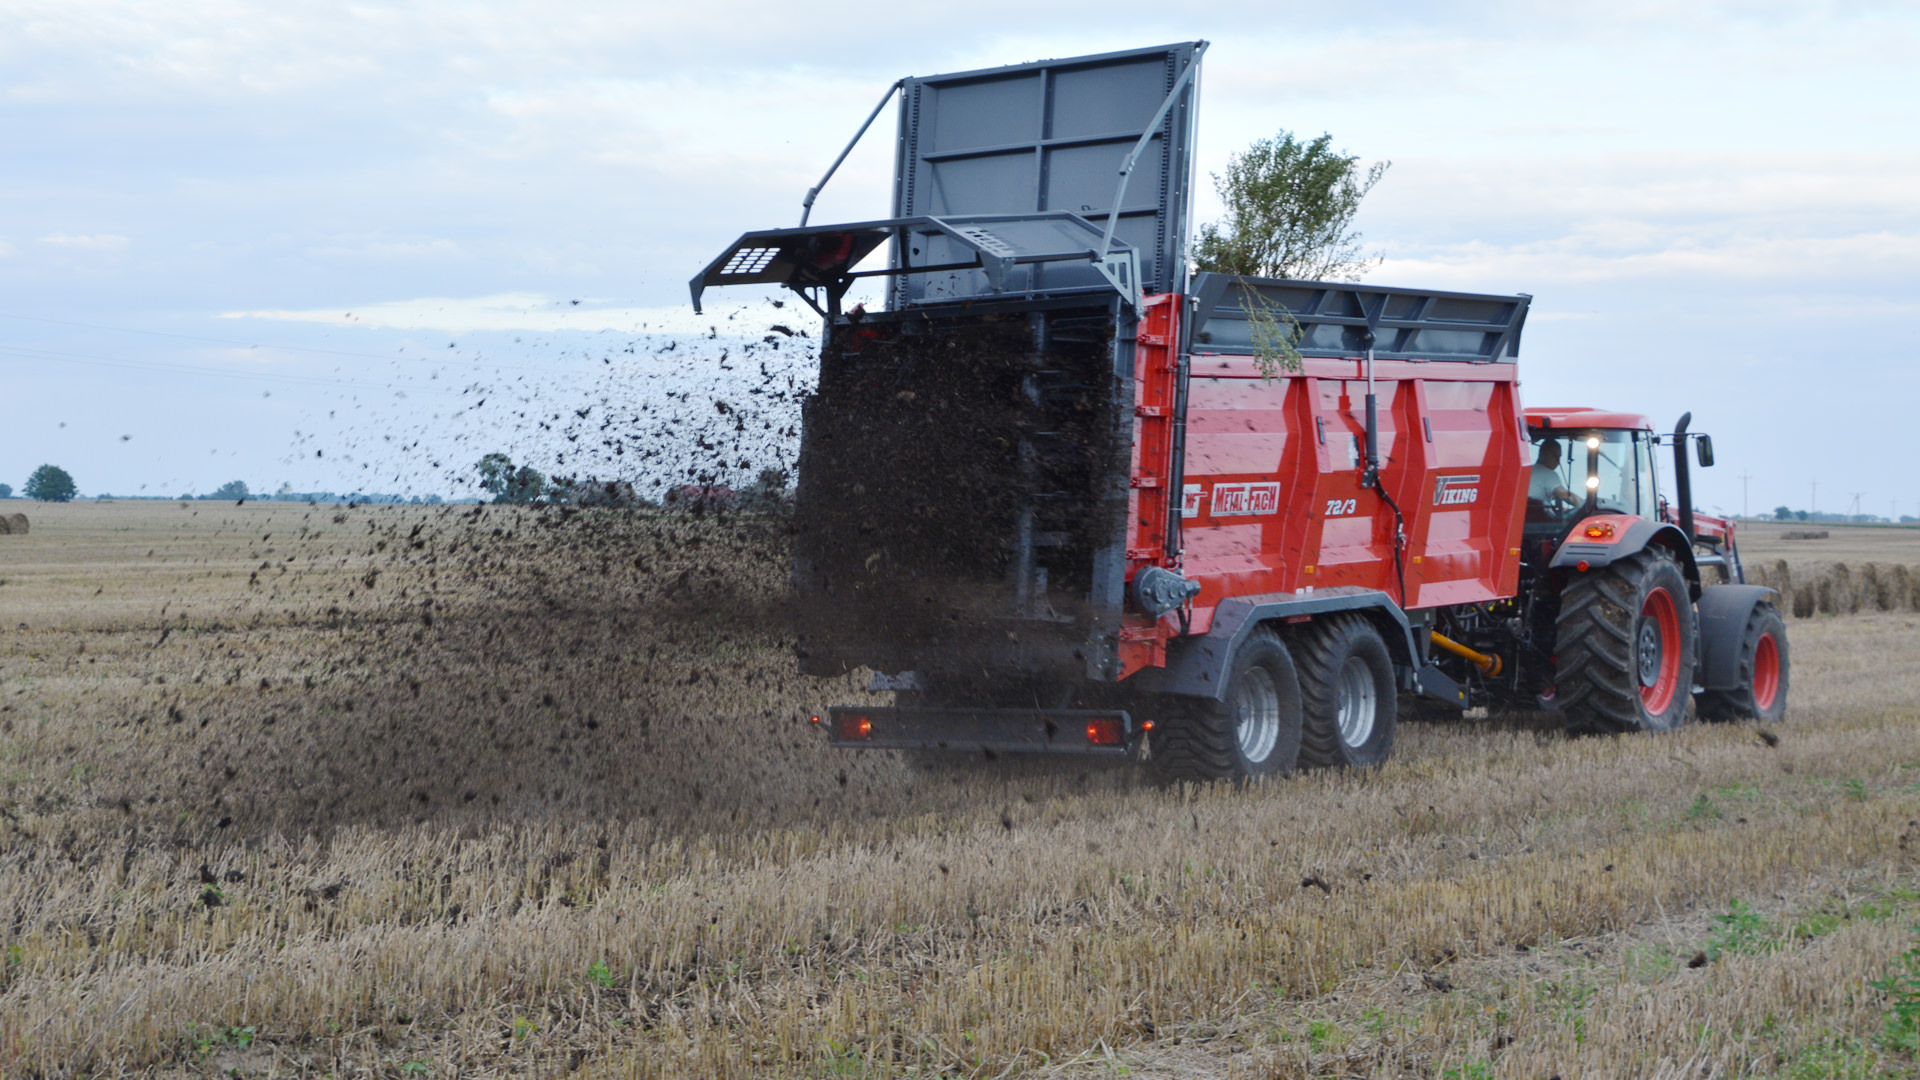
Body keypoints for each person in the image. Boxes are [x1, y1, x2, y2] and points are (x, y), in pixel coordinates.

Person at [1530, 438, 1577, 508]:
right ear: (1544, 454)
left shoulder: (1526, 471)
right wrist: (1583, 503)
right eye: (1556, 457)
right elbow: (1563, 494)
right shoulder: (1548, 474)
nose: (1558, 462)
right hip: (1535, 516)